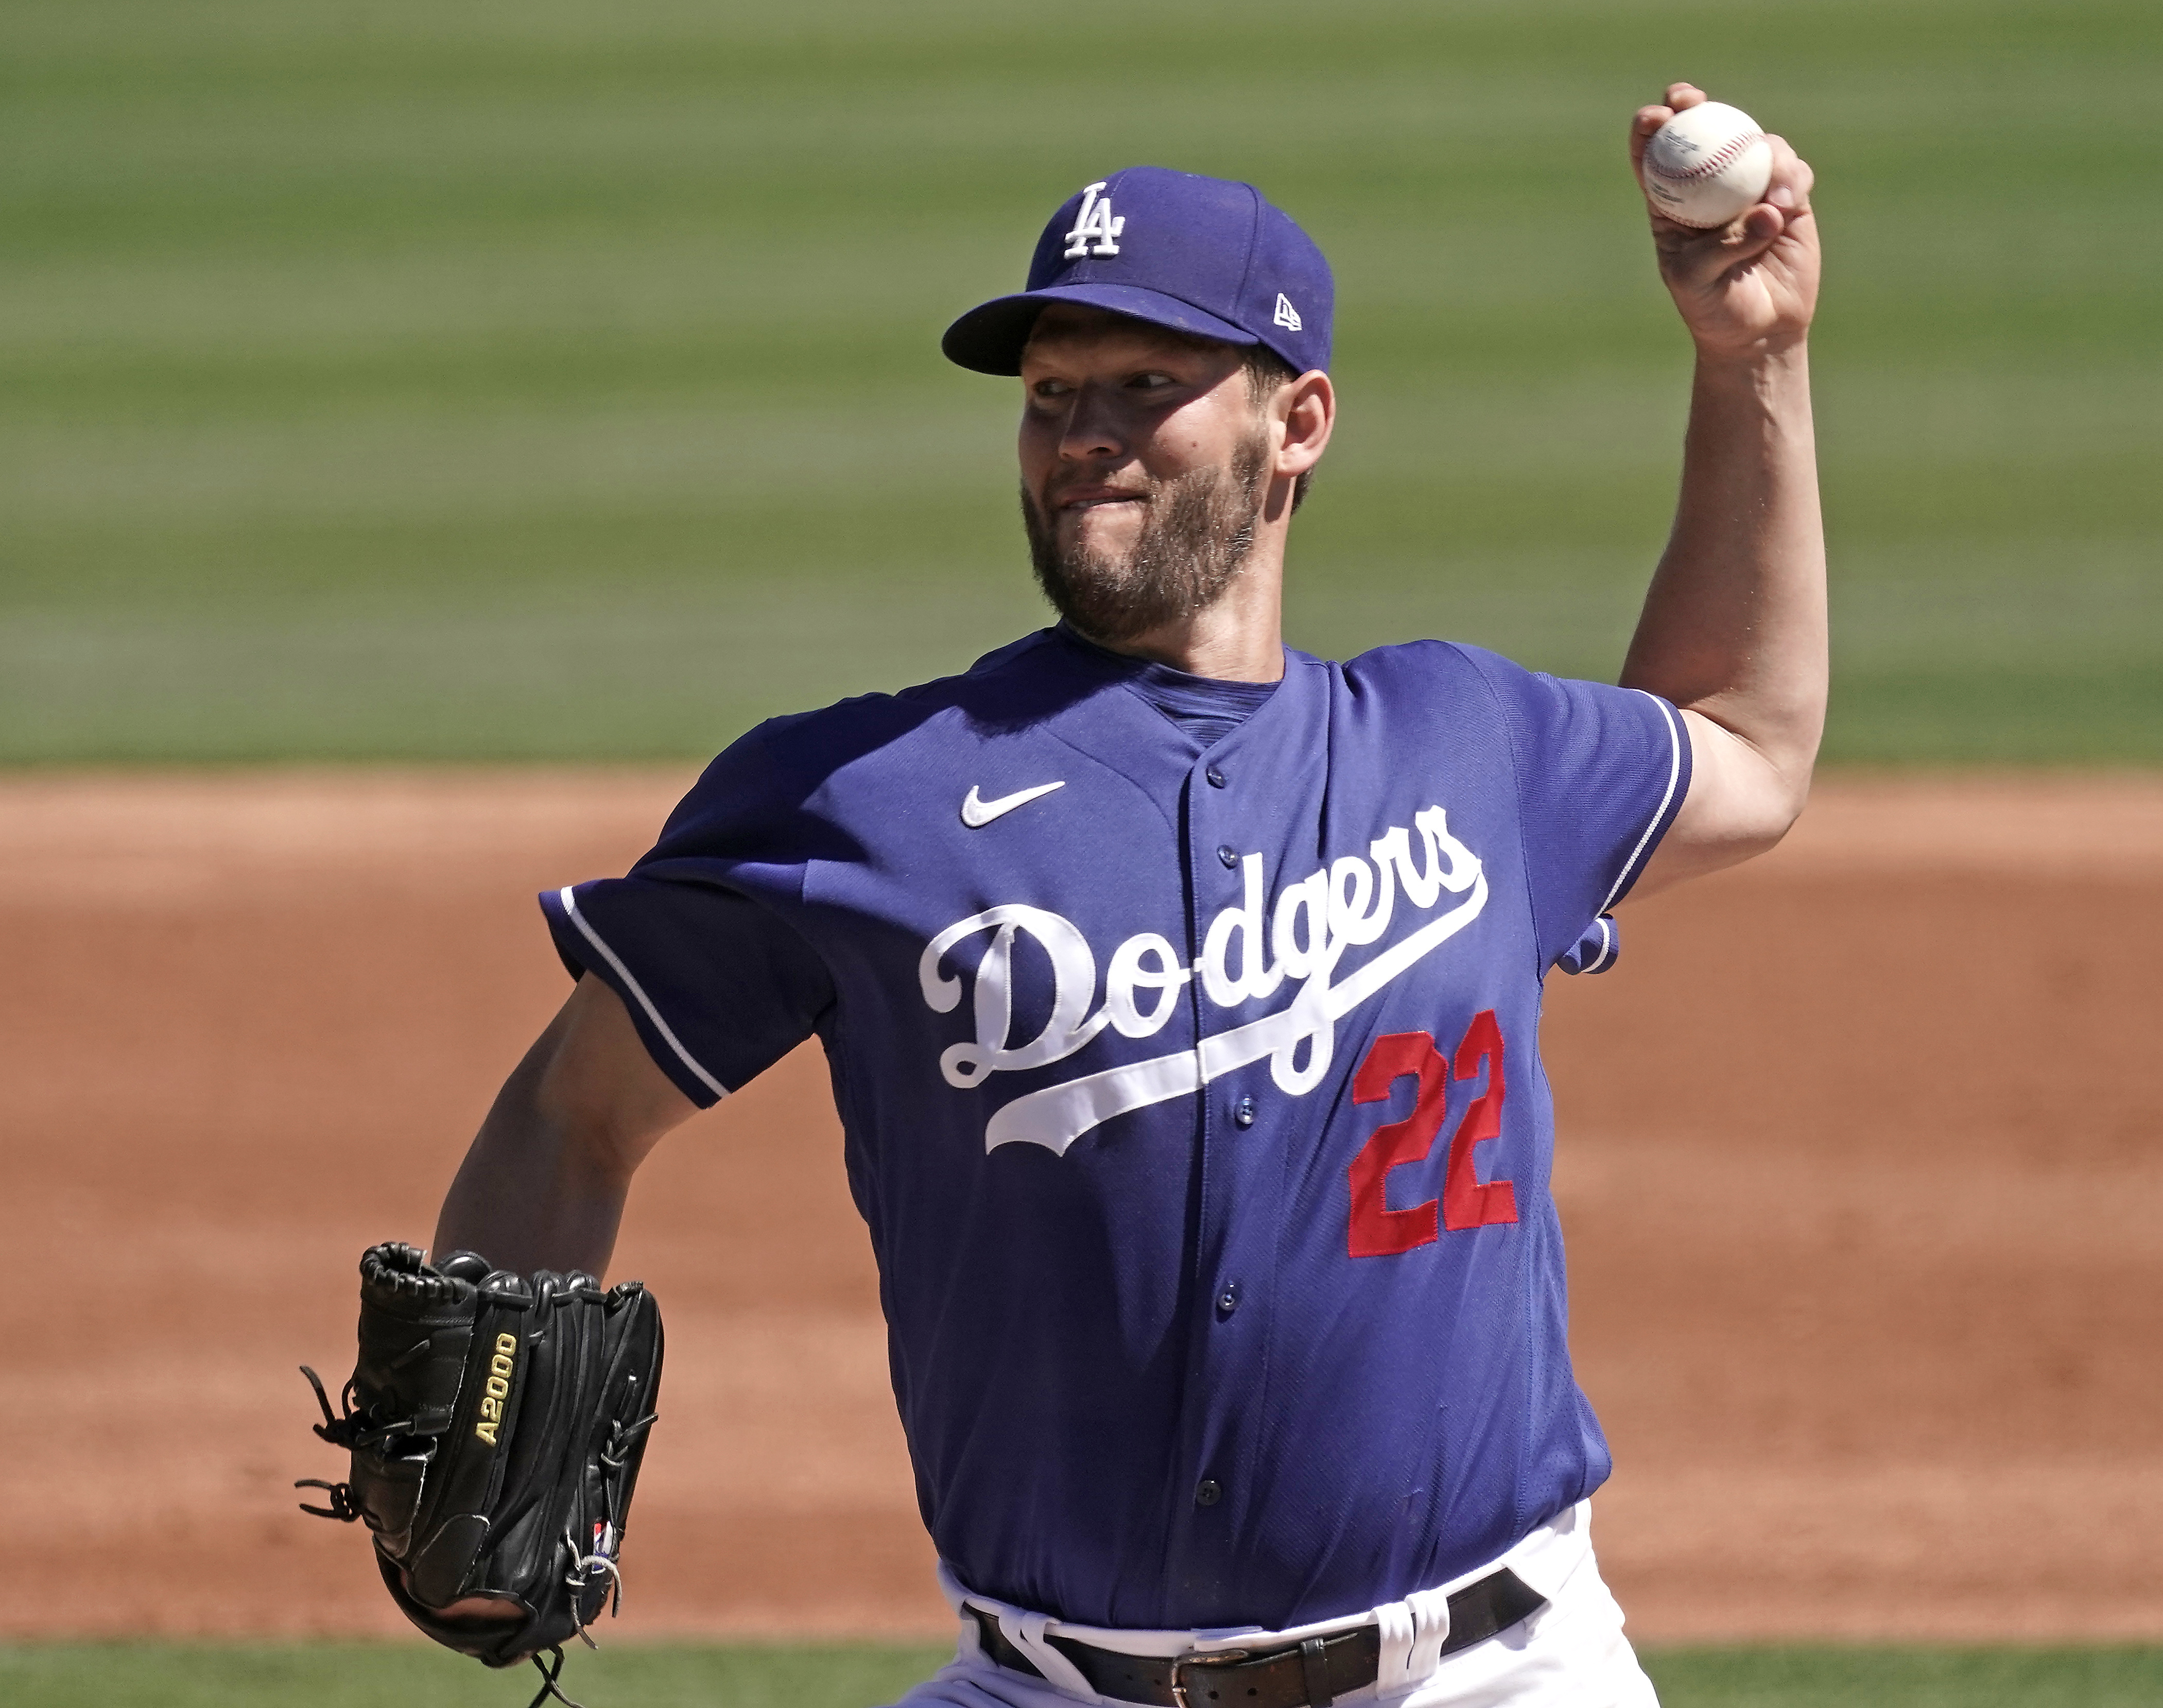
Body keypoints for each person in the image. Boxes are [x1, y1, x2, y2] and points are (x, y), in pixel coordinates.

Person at [431, 83, 1823, 1708]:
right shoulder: (861, 799)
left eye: (1147, 384)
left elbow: (1745, 746)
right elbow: (571, 1112)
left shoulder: (1468, 744)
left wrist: (1753, 363)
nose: (1083, 432)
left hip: (1496, 1676)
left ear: (1297, 422)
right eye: (1050, 394)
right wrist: (482, 1424)